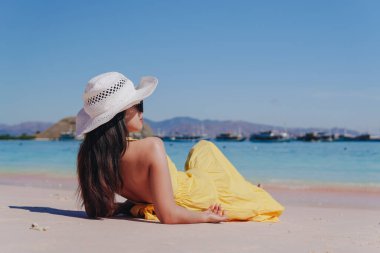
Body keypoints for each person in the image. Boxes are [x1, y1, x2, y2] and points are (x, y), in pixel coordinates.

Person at [76, 72, 284, 224]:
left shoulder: (92, 156)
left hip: (182, 189)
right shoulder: (150, 147)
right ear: (121, 114)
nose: (142, 112)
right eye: (138, 105)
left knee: (202, 152)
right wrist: (206, 216)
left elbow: (98, 209)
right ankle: (248, 189)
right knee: (205, 147)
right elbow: (169, 215)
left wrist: (130, 206)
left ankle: (246, 188)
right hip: (196, 193)